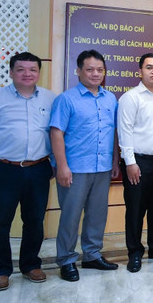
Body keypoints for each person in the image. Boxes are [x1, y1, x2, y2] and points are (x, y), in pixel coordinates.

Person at [0, 52, 55, 291]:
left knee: (35, 221)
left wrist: (53, 164)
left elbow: (56, 134)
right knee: (0, 222)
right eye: (21, 69)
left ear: (39, 73)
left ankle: (31, 265)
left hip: (39, 169)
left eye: (32, 69)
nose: (27, 73)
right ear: (11, 72)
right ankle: (0, 271)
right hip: (4, 169)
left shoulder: (50, 99)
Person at [50, 50, 120, 282]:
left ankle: (91, 254)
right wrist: (62, 166)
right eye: (89, 69)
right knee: (70, 216)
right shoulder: (66, 99)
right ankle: (67, 259)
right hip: (75, 169)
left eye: (100, 70)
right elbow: (56, 133)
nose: (95, 74)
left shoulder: (110, 99)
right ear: (78, 71)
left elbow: (114, 133)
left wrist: (114, 161)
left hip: (102, 168)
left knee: (97, 214)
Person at [117, 53, 153, 272]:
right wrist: (130, 163)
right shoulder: (130, 98)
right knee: (135, 209)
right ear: (140, 71)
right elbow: (125, 132)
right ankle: (134, 252)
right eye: (149, 67)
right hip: (138, 163)